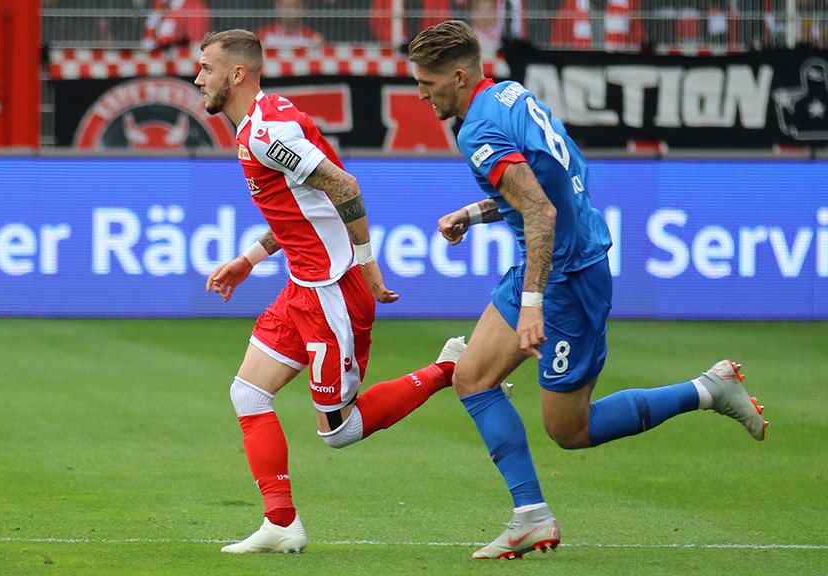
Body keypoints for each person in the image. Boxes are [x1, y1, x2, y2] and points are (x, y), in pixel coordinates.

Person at [407, 20, 767, 560]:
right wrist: (478, 212)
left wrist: (533, 303)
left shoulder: (476, 130)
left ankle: (709, 390)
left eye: (427, 83)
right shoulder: (509, 94)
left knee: (570, 430)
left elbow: (540, 208)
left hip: (565, 279)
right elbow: (561, 174)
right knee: (473, 377)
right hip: (555, 260)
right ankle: (530, 515)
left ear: (458, 76)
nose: (420, 93)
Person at [194, 28, 468, 554]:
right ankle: (280, 523)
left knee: (338, 430)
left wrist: (367, 265)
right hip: (303, 283)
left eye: (206, 67)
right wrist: (248, 260)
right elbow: (305, 207)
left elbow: (344, 187)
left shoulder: (265, 134)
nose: (197, 77)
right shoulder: (262, 120)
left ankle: (450, 368)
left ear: (237, 74)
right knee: (248, 393)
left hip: (332, 290)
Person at [256, 0, 325, 49]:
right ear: (276, 6)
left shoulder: (314, 39)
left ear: (304, 7)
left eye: (295, 6)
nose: (288, 10)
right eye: (284, 6)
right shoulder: (261, 37)